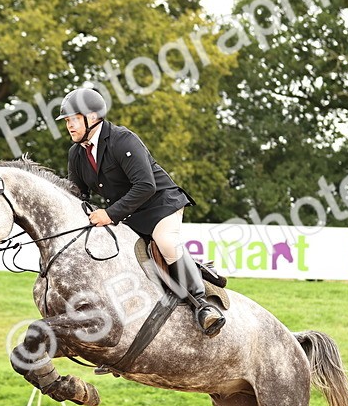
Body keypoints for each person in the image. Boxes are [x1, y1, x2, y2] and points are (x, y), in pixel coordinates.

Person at [58, 87, 225, 337]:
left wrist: (110, 215)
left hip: (160, 204)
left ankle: (203, 305)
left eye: (73, 119)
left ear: (91, 118)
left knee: (166, 242)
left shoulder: (122, 140)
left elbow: (146, 185)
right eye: (67, 121)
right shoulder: (76, 154)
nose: (69, 126)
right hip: (129, 214)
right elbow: (77, 194)